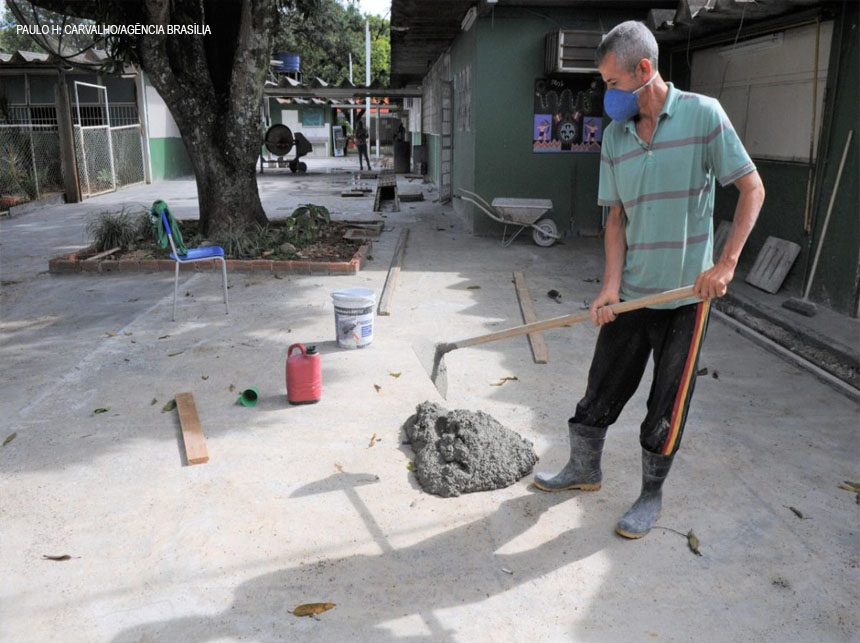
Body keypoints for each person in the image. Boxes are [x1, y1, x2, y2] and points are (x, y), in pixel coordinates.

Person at [533, 21, 765, 539]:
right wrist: (610, 287)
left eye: (613, 83)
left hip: (686, 297)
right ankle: (584, 469)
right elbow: (615, 219)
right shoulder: (616, 137)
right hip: (633, 295)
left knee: (666, 404)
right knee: (601, 387)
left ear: (644, 70)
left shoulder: (704, 116)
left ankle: (650, 495)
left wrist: (726, 265)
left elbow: (753, 189)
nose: (608, 95)